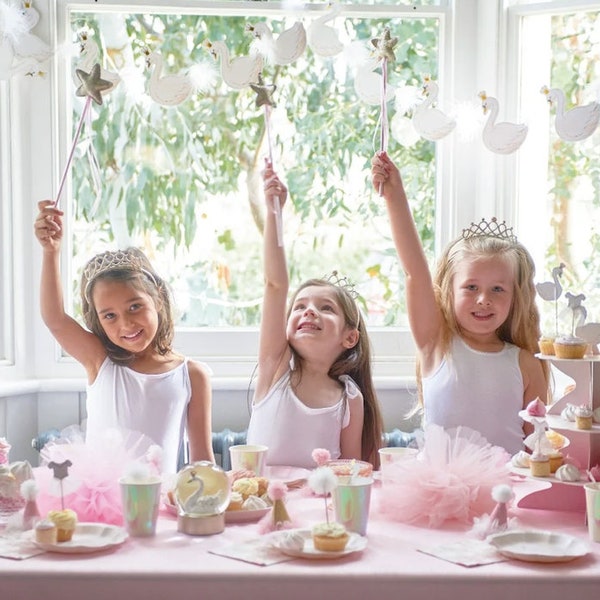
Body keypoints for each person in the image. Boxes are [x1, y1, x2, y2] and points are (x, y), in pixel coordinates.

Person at [371, 151, 549, 455]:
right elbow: (415, 272)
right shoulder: (436, 343)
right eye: (471, 287)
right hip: (439, 486)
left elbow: (536, 449)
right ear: (449, 292)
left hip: (505, 490)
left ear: (515, 297)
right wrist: (394, 196)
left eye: (497, 289)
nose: (484, 299)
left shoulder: (526, 363)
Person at [34, 200, 214, 473]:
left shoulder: (192, 375)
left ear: (159, 301)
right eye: (110, 316)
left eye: (135, 307)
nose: (126, 324)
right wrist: (51, 252)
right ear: (99, 320)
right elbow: (55, 319)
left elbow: (202, 461)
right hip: (101, 501)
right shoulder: (100, 360)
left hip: (156, 500)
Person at [246, 160, 383, 470]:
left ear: (350, 337)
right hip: (264, 505)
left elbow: (350, 473)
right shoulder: (275, 370)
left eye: (326, 308)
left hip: (317, 511)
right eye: (301, 306)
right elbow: (275, 284)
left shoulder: (350, 398)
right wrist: (274, 212)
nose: (309, 310)